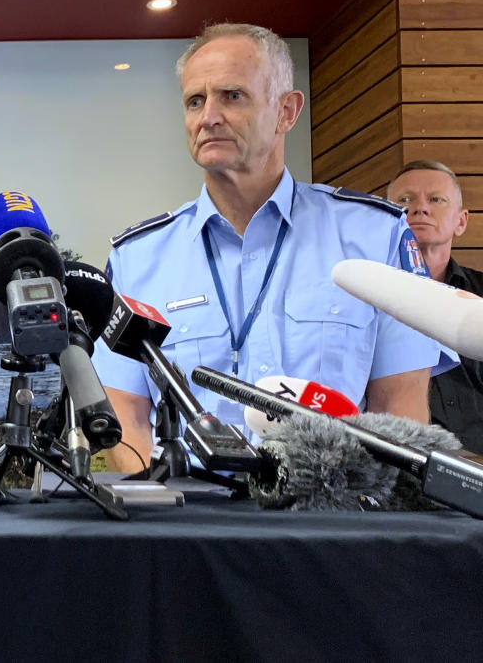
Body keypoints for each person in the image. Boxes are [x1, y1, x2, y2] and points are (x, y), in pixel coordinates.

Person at [91, 23, 450, 473]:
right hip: (187, 524)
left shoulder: (373, 238)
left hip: (331, 523)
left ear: (286, 111)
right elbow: (126, 418)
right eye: (195, 101)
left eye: (232, 96)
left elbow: (400, 408)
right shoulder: (138, 257)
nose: (209, 117)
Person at [387, 160, 483, 452]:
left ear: (461, 221)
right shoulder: (366, 298)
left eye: (436, 200)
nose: (420, 208)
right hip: (401, 469)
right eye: (405, 200)